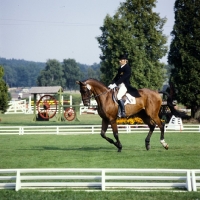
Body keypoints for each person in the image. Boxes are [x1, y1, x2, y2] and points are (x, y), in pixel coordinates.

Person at [108, 53, 140, 118]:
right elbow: (117, 77)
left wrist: (115, 84)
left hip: (124, 85)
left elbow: (123, 78)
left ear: (125, 60)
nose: (119, 61)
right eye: (119, 60)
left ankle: (122, 112)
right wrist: (111, 83)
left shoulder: (127, 68)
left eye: (121, 60)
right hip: (119, 85)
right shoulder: (120, 68)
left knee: (119, 96)